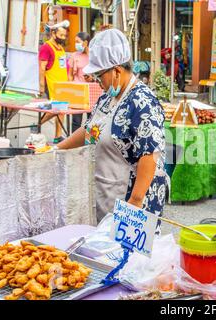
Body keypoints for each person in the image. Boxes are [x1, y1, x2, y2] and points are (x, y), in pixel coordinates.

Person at [57, 29, 167, 229]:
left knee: (129, 258)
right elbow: (90, 130)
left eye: (100, 76)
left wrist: (134, 203)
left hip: (132, 203)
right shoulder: (107, 98)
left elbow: (150, 155)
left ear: (116, 70)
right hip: (106, 194)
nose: (99, 83)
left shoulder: (142, 102)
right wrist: (56, 149)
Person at [39, 22, 69, 144]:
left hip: (63, 84)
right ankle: (37, 124)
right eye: (61, 35)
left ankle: (58, 136)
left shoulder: (60, 48)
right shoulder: (47, 47)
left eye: (64, 36)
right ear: (53, 33)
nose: (63, 38)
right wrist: (41, 85)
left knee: (61, 111)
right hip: (52, 84)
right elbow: (42, 67)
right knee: (58, 108)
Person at [69, 32, 92, 132]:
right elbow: (70, 74)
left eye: (77, 42)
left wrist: (92, 78)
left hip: (91, 92)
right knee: (76, 121)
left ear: (85, 43)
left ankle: (90, 142)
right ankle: (74, 144)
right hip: (77, 92)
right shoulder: (74, 55)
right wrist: (70, 85)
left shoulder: (93, 56)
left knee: (91, 120)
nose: (76, 44)